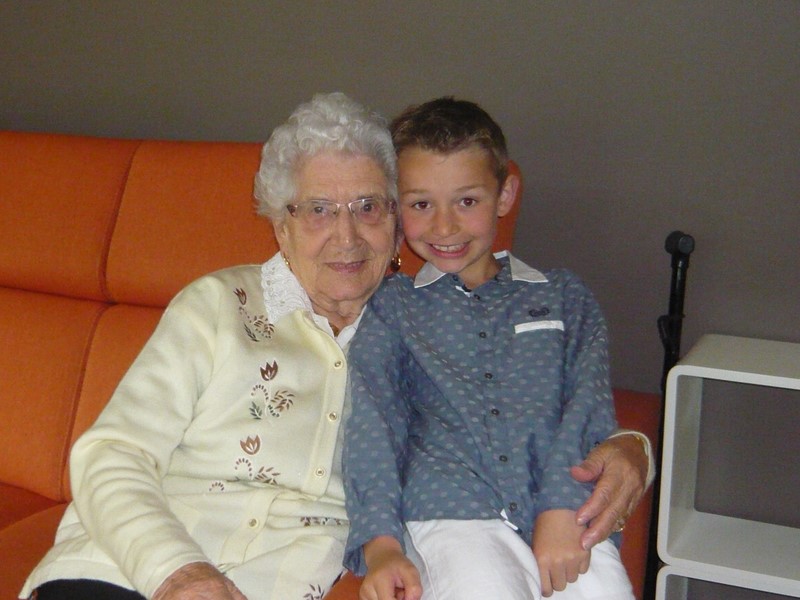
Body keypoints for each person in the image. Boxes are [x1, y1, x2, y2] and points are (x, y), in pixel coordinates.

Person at [20, 93, 650, 600]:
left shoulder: (418, 327)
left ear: (397, 220)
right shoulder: (216, 305)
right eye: (319, 209)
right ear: (281, 222)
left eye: (368, 207)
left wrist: (633, 446)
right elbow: (112, 455)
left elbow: (516, 399)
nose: (346, 236)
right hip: (123, 570)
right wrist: (179, 573)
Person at [343, 98, 653, 600]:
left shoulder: (564, 296)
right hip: (451, 512)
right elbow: (374, 424)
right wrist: (381, 545)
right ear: (398, 206)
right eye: (421, 204)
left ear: (504, 194)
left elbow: (588, 403)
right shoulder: (393, 307)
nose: (444, 227)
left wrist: (561, 505)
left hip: (559, 506)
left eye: (467, 201)